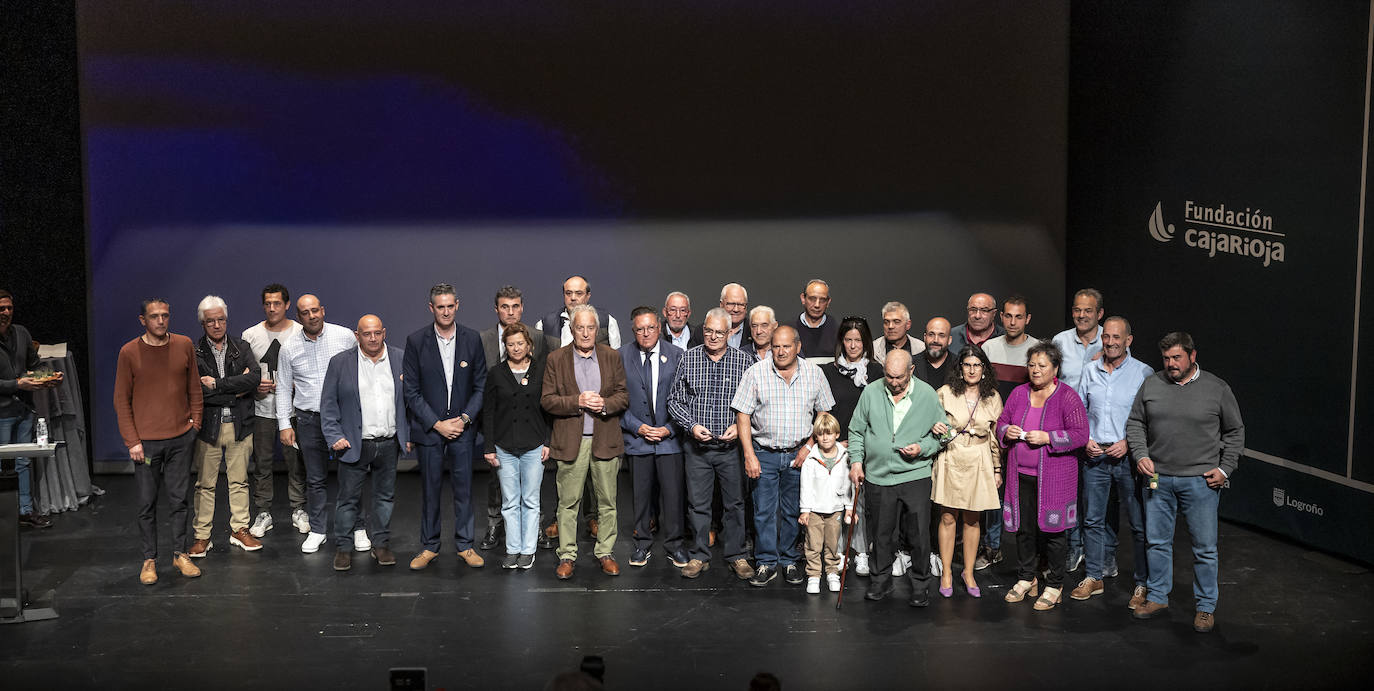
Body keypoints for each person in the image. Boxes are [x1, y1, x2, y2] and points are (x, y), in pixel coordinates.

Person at [1127, 332, 1243, 634]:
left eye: (1176, 357)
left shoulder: (1216, 389)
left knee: (1204, 548)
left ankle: (1205, 607)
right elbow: (1136, 422)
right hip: (1157, 478)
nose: (1170, 364)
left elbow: (1234, 432)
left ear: (1192, 356)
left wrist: (1226, 469)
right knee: (1156, 542)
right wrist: (1140, 454)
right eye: (1166, 358)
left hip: (1200, 481)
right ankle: (1157, 597)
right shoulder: (1152, 384)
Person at [733, 326, 835, 587]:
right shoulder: (755, 373)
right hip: (764, 453)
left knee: (793, 511)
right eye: (775, 346)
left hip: (799, 455)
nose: (780, 351)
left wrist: (809, 447)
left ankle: (789, 560)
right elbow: (742, 415)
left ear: (798, 347)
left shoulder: (814, 374)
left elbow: (824, 415)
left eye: (786, 346)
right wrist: (749, 454)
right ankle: (766, 562)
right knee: (763, 511)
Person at [114, 298, 204, 584]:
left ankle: (180, 554)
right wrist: (132, 440)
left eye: (165, 315)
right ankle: (149, 559)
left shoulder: (184, 344)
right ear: (143, 320)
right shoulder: (129, 352)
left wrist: (195, 425)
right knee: (146, 503)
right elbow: (121, 399)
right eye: (155, 316)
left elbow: (194, 388)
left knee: (179, 500)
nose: (161, 321)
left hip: (180, 439)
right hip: (146, 443)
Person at [846, 349, 944, 606]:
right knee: (880, 533)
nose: (894, 382)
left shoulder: (926, 395)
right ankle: (881, 581)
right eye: (889, 376)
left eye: (899, 377)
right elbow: (856, 430)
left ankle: (921, 584)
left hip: (915, 474)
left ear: (911, 371)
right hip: (878, 475)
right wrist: (856, 461)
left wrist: (922, 448)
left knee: (919, 533)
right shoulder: (871, 392)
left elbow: (942, 434)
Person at [996, 341, 1089, 611]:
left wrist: (1049, 437)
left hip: (1054, 478)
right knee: (1024, 531)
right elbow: (1001, 423)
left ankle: (1055, 584)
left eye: (1042, 365)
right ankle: (1027, 578)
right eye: (1032, 365)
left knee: (1054, 533)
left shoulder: (1067, 396)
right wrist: (1007, 431)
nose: (1035, 370)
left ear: (1055, 368)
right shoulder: (1018, 393)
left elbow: (1081, 434)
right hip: (1020, 474)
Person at [666, 308, 756, 580]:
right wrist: (691, 426)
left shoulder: (744, 361)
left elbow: (755, 403)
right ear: (702, 330)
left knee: (735, 504)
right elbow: (674, 400)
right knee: (697, 505)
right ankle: (699, 555)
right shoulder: (689, 358)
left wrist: (738, 428)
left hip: (731, 449)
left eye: (719, 332)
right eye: (708, 331)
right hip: (698, 449)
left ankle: (737, 555)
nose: (713, 336)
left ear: (730, 333)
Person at [404, 283, 488, 570]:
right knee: (430, 490)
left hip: (463, 430)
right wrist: (437, 424)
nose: (446, 311)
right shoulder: (416, 341)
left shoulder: (472, 339)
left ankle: (465, 545)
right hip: (431, 431)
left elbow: (480, 386)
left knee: (464, 490)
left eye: (450, 305)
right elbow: (411, 391)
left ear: (457, 305)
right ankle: (429, 547)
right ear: (431, 308)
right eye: (440, 306)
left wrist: (464, 419)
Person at [542, 305, 628, 579]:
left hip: (605, 440)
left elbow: (623, 396)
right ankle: (567, 555)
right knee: (568, 504)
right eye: (581, 327)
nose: (586, 332)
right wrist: (576, 402)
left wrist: (604, 405)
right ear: (572, 329)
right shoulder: (557, 358)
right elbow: (547, 400)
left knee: (607, 502)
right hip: (571, 443)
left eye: (591, 327)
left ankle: (605, 552)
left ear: (598, 330)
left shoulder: (611, 356)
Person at [320, 314, 410, 571]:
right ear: (357, 335)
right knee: (348, 499)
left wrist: (408, 434)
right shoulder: (340, 363)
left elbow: (410, 400)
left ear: (384, 332)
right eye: (366, 334)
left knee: (384, 497)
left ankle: (380, 545)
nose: (373, 338)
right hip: (354, 443)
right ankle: (344, 548)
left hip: (389, 442)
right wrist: (334, 436)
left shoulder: (400, 358)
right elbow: (328, 404)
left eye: (377, 333)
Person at [1074, 316, 1153, 607]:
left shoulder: (1143, 372)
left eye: (1116, 337)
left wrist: (1129, 443)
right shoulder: (1090, 369)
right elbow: (1080, 410)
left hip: (1127, 458)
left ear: (1128, 340)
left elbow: (1149, 419)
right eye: (1106, 337)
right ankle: (1094, 576)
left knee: (1138, 524)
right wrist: (1085, 438)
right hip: (1095, 456)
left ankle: (1143, 583)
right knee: (1093, 520)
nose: (1110, 342)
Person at [275, 294, 358, 554]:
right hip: (309, 419)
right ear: (298, 317)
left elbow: (363, 369)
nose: (311, 316)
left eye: (315, 310)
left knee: (352, 475)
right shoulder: (289, 346)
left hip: (343, 418)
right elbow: (283, 388)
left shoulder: (344, 336)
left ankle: (357, 526)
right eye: (305, 313)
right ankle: (319, 530)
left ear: (323, 310)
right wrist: (284, 424)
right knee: (315, 479)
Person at [477, 285, 557, 551]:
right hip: (498, 423)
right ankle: (494, 525)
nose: (510, 312)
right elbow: (481, 384)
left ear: (522, 308)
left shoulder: (537, 337)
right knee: (496, 480)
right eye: (504, 307)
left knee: (533, 485)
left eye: (515, 306)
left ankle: (535, 531)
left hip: (530, 425)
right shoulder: (484, 338)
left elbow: (544, 384)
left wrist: (546, 436)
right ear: (496, 309)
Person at [188, 296, 261, 558]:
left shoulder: (241, 347)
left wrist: (218, 385)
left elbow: (254, 379)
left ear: (226, 320)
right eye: (211, 321)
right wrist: (236, 388)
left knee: (239, 481)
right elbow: (195, 391)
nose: (217, 325)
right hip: (209, 426)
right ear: (203, 323)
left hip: (239, 425)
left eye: (221, 319)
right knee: (205, 484)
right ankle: (202, 535)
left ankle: (240, 529)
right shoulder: (194, 352)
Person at [930, 345, 1003, 597]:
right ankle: (947, 571)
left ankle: (969, 572)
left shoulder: (992, 397)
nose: (972, 370)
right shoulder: (944, 393)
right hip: (952, 456)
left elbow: (995, 436)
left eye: (977, 365)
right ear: (960, 369)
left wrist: (997, 467)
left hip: (980, 457)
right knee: (948, 517)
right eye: (967, 365)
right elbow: (931, 424)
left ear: (984, 369)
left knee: (972, 519)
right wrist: (935, 427)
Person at [619, 306, 687, 568]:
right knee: (641, 497)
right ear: (633, 330)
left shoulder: (678, 355)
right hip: (638, 441)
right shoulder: (621, 356)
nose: (645, 333)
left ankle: (674, 546)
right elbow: (617, 402)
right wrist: (638, 427)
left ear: (660, 328)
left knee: (673, 497)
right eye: (639, 329)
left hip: (670, 440)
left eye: (650, 328)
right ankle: (642, 544)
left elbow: (686, 398)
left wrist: (671, 427)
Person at [482, 323, 550, 570]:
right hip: (504, 447)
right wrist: (489, 447)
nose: (516, 348)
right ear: (505, 346)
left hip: (534, 445)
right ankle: (512, 549)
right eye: (511, 344)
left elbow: (548, 409)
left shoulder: (541, 371)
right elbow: (488, 412)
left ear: (529, 344)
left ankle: (528, 550)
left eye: (520, 343)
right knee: (510, 501)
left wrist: (548, 442)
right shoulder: (496, 373)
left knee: (531, 500)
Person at [817, 316, 883, 574]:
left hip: (867, 447)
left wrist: (862, 443)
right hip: (835, 446)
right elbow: (823, 412)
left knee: (861, 503)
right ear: (841, 341)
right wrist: (835, 442)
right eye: (848, 340)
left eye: (858, 340)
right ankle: (839, 550)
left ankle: (862, 551)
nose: (853, 345)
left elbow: (880, 412)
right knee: (837, 501)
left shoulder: (876, 372)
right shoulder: (828, 372)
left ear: (865, 342)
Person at [240, 283, 306, 538]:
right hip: (261, 409)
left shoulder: (300, 331)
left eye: (277, 303)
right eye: (267, 303)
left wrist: (295, 385)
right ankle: (263, 512)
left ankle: (299, 509)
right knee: (263, 463)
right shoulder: (250, 334)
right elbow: (245, 374)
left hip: (294, 410)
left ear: (287, 305)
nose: (272, 308)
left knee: (296, 462)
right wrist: (255, 385)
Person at [1051, 289, 1104, 574]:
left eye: (1088, 310)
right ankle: (1074, 547)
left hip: (1099, 433)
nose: (1082, 315)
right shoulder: (1060, 340)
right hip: (1067, 432)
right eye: (1077, 310)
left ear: (1099, 314)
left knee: (1096, 499)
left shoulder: (1110, 339)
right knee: (1069, 494)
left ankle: (1103, 553)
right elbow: (1052, 384)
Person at [0, 289, 62, 529]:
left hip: (24, 408)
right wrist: (16, 384)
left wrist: (49, 378)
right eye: (1, 308)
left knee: (23, 461)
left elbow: (34, 366)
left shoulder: (21, 333)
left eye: (9, 308)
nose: (6, 313)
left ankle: (25, 511)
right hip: (2, 412)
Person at [798, 412, 853, 595]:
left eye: (829, 433)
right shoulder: (811, 459)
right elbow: (805, 485)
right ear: (816, 437)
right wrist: (805, 510)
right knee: (813, 544)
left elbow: (849, 484)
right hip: (814, 510)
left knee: (833, 543)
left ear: (837, 434)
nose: (825, 437)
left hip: (835, 509)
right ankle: (814, 575)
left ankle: (832, 572)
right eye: (821, 434)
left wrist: (849, 508)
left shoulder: (845, 456)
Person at [981, 295, 1041, 402]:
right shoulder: (988, 348)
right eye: (1008, 316)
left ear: (1027, 319)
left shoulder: (1039, 349)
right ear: (1001, 316)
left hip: (1026, 414)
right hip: (993, 413)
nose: (1012, 322)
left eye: (1019, 317)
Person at [536, 275, 618, 348]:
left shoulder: (606, 321)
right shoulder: (545, 323)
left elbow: (615, 356)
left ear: (588, 296)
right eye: (568, 293)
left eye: (579, 293)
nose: (573, 298)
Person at [792, 279, 839, 359]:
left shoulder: (838, 332)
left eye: (822, 300)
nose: (817, 305)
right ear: (803, 298)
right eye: (812, 299)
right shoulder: (789, 330)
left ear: (828, 302)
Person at [915, 317, 955, 392]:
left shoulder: (959, 365)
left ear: (949, 340)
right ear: (925, 337)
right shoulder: (911, 364)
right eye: (931, 334)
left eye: (941, 335)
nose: (935, 340)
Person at [719, 283, 749, 350]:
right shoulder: (704, 331)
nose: (736, 309)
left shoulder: (754, 331)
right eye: (731, 304)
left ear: (746, 307)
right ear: (721, 305)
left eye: (740, 304)